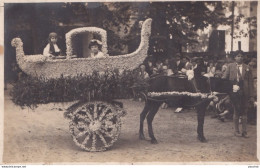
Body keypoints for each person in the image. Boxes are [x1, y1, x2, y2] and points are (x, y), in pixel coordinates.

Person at [222, 50, 254, 138]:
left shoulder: (247, 67)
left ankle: (244, 131)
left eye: (241, 56)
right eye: (238, 56)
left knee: (244, 111)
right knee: (236, 110)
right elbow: (225, 78)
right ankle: (236, 131)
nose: (240, 58)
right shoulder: (230, 66)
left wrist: (251, 95)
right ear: (235, 57)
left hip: (245, 92)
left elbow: (250, 82)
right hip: (234, 91)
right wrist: (231, 86)